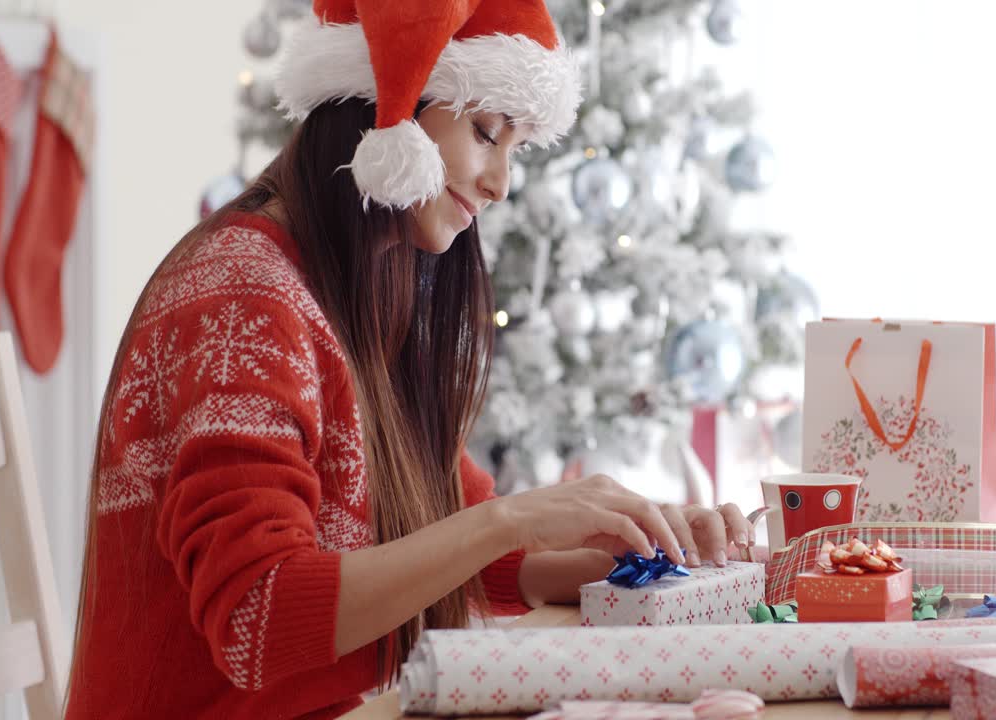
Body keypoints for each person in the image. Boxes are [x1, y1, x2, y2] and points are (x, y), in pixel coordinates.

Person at [64, 1, 754, 718]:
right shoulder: (242, 297)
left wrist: (629, 559)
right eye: (487, 133)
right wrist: (511, 521)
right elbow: (258, 620)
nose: (501, 184)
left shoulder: (359, 280)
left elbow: (443, 529)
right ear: (389, 109)